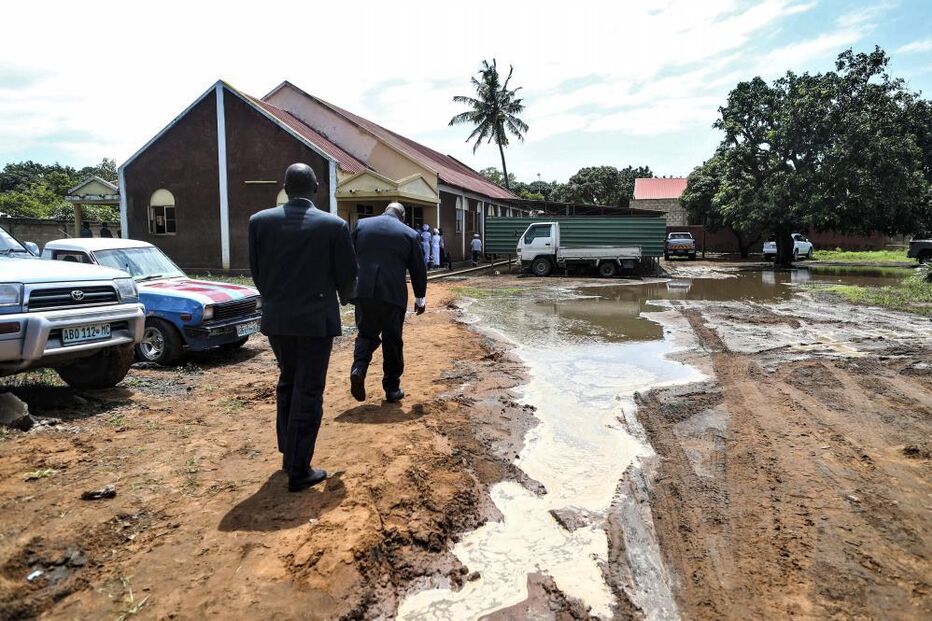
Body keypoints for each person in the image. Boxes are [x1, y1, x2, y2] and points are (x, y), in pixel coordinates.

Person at [248, 163, 357, 492]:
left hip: (278, 320)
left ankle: (288, 452)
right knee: (308, 391)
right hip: (314, 322)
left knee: (288, 382)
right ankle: (299, 469)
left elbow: (256, 271)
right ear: (316, 189)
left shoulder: (259, 222)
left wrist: (275, 299)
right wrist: (348, 297)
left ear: (285, 187)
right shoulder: (333, 226)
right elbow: (347, 275)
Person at [350, 202, 427, 403]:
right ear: (402, 215)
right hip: (392, 295)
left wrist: (349, 287)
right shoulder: (409, 234)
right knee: (392, 340)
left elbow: (348, 257)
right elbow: (418, 269)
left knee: (366, 334)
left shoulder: (361, 225)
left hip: (364, 292)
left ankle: (359, 368)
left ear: (385, 210)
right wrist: (420, 298)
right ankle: (392, 388)